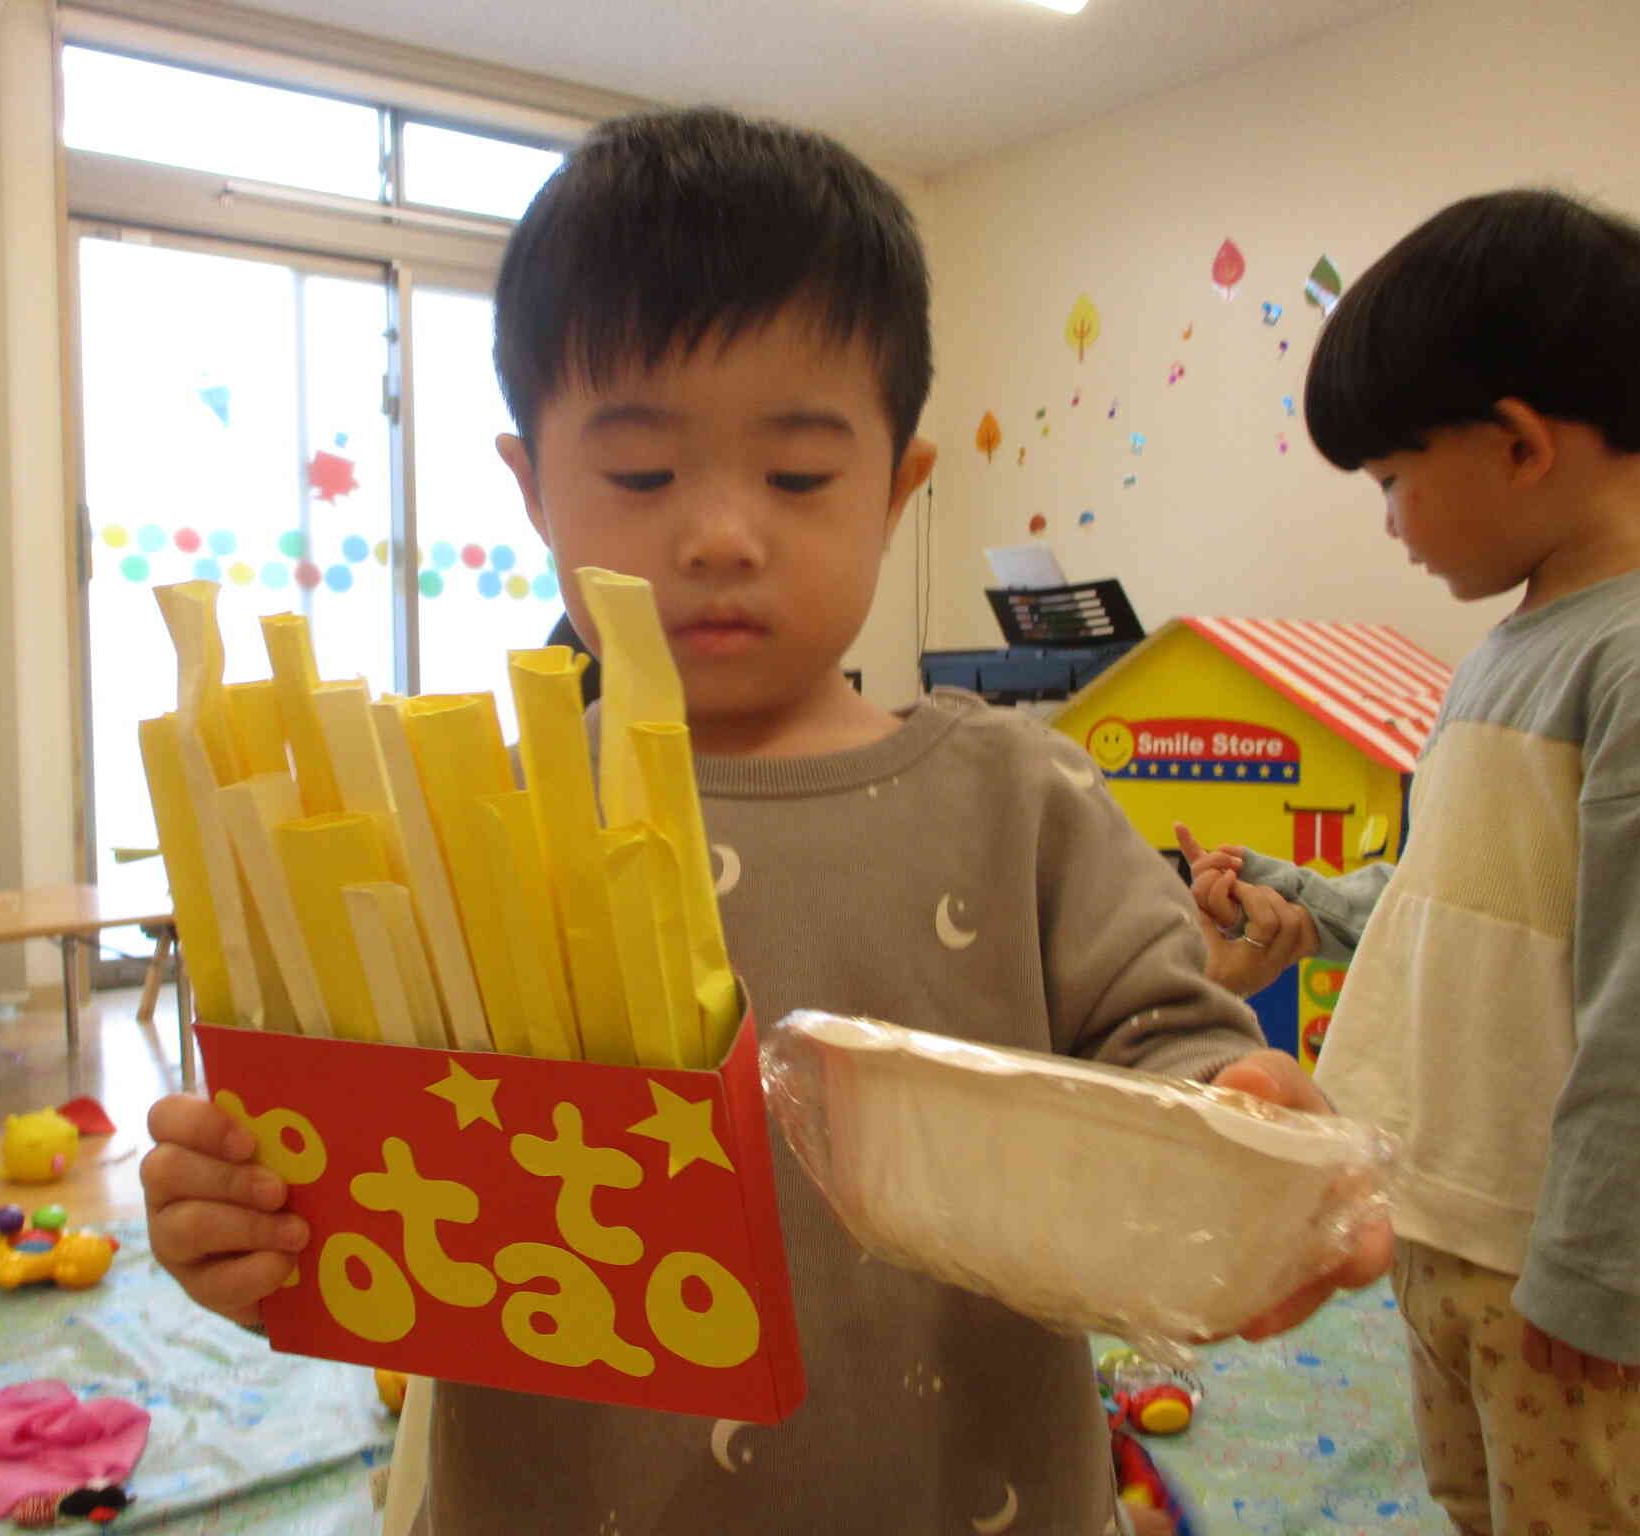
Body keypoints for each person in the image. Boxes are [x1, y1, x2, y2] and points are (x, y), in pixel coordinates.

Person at [141, 106, 1388, 1536]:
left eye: (798, 476)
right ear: (532, 488)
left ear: (899, 492)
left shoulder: (1020, 799)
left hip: (962, 1496)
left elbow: (1167, 1039)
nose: (723, 533)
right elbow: (351, 1177)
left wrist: (1232, 1127)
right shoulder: (458, 821)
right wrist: (240, 1226)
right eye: (642, 475)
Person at [1176, 189, 1640, 1534]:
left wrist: (1598, 1273)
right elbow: (1454, 903)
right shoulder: (1512, 645)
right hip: (1450, 1215)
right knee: (1469, 1503)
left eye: (1390, 482)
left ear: (1517, 445)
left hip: (1560, 1250)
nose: (1389, 524)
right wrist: (1301, 895)